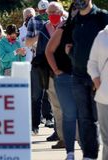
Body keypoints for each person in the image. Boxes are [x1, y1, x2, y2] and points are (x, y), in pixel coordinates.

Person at [66, 0, 108, 159]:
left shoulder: (102, 17)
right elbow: (72, 44)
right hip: (78, 76)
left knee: (101, 118)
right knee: (84, 118)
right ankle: (89, 155)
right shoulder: (75, 20)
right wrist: (71, 54)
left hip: (99, 78)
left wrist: (99, 78)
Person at [45, 2, 79, 159]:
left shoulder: (89, 26)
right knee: (62, 109)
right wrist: (56, 70)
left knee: (81, 111)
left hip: (82, 75)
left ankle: (81, 141)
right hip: (61, 75)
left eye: (54, 12)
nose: (51, 15)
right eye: (49, 12)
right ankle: (66, 142)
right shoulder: (61, 28)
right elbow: (47, 50)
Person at [25, 0, 55, 135]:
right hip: (39, 60)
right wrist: (41, 34)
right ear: (38, 11)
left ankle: (55, 127)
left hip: (55, 60)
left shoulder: (59, 20)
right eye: (42, 12)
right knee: (36, 95)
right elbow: (28, 42)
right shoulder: (33, 21)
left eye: (46, 11)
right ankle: (34, 126)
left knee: (54, 95)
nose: (44, 14)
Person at [87, 25, 108, 160]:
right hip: (104, 96)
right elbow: (92, 63)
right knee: (107, 139)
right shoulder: (102, 36)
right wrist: (98, 83)